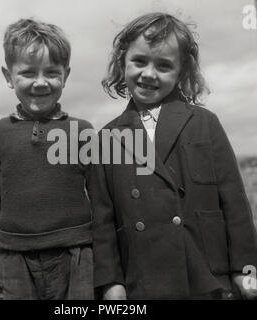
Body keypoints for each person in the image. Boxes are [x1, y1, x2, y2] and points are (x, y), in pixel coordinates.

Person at [92, 12, 257, 299]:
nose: (149, 74)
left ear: (181, 72)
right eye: (139, 61)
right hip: (141, 281)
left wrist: (246, 268)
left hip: (205, 275)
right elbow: (102, 221)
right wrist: (110, 283)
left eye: (164, 65)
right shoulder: (107, 137)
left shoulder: (206, 122)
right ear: (123, 62)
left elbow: (235, 204)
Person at [0, 18, 94, 300]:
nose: (40, 82)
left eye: (52, 73)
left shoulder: (82, 131)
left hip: (78, 254)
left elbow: (102, 201)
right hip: (14, 257)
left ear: (66, 75)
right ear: (8, 76)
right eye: (28, 72)